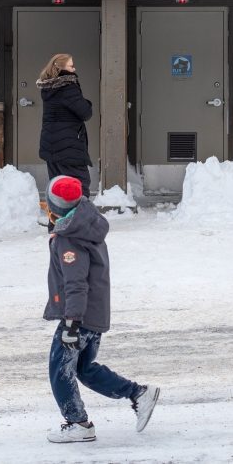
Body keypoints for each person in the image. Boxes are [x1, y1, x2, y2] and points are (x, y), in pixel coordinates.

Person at [42, 175, 160, 443]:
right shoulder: (86, 223)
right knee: (84, 369)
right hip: (93, 314)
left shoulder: (69, 239)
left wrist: (71, 322)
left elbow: (76, 283)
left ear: (54, 208)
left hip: (79, 317)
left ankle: (78, 424)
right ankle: (138, 393)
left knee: (60, 371)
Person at [37, 53, 93, 197]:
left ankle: (56, 218)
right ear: (60, 67)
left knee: (58, 186)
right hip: (69, 146)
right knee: (79, 185)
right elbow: (85, 112)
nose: (74, 69)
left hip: (51, 144)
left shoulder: (48, 87)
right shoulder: (68, 87)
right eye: (71, 65)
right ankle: (79, 218)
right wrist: (87, 102)